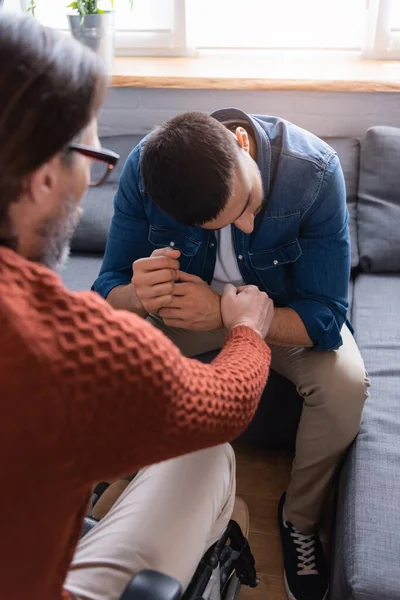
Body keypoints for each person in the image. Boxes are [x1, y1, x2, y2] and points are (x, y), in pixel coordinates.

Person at [0, 13, 275, 600]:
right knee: (209, 456)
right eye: (91, 159)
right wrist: (247, 331)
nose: (89, 184)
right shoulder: (61, 342)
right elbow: (224, 404)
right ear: (44, 176)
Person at [93, 108, 370, 600]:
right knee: (108, 347)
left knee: (345, 384)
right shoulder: (145, 170)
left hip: (279, 321)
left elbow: (326, 315)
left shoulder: (316, 172)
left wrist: (226, 314)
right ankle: (119, 484)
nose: (244, 226)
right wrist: (136, 294)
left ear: (241, 143)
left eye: (247, 205)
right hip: (181, 316)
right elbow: (108, 288)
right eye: (222, 223)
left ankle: (299, 520)